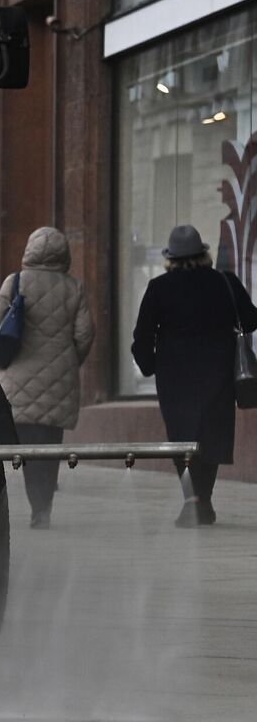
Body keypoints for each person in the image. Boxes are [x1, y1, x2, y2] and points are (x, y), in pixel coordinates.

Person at [131, 224, 257, 527]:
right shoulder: (224, 282)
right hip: (218, 371)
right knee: (210, 435)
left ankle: (192, 500)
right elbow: (251, 319)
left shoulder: (159, 288)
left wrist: (150, 365)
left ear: (171, 258)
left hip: (175, 376)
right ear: (204, 253)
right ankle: (205, 499)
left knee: (183, 437)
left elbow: (143, 336)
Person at [0, 227, 94, 529]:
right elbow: (85, 334)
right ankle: (43, 506)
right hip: (60, 380)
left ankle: (27, 506)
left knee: (27, 447)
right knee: (50, 447)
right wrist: (69, 363)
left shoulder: (15, 282)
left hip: (18, 376)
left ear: (30, 251)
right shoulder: (74, 287)